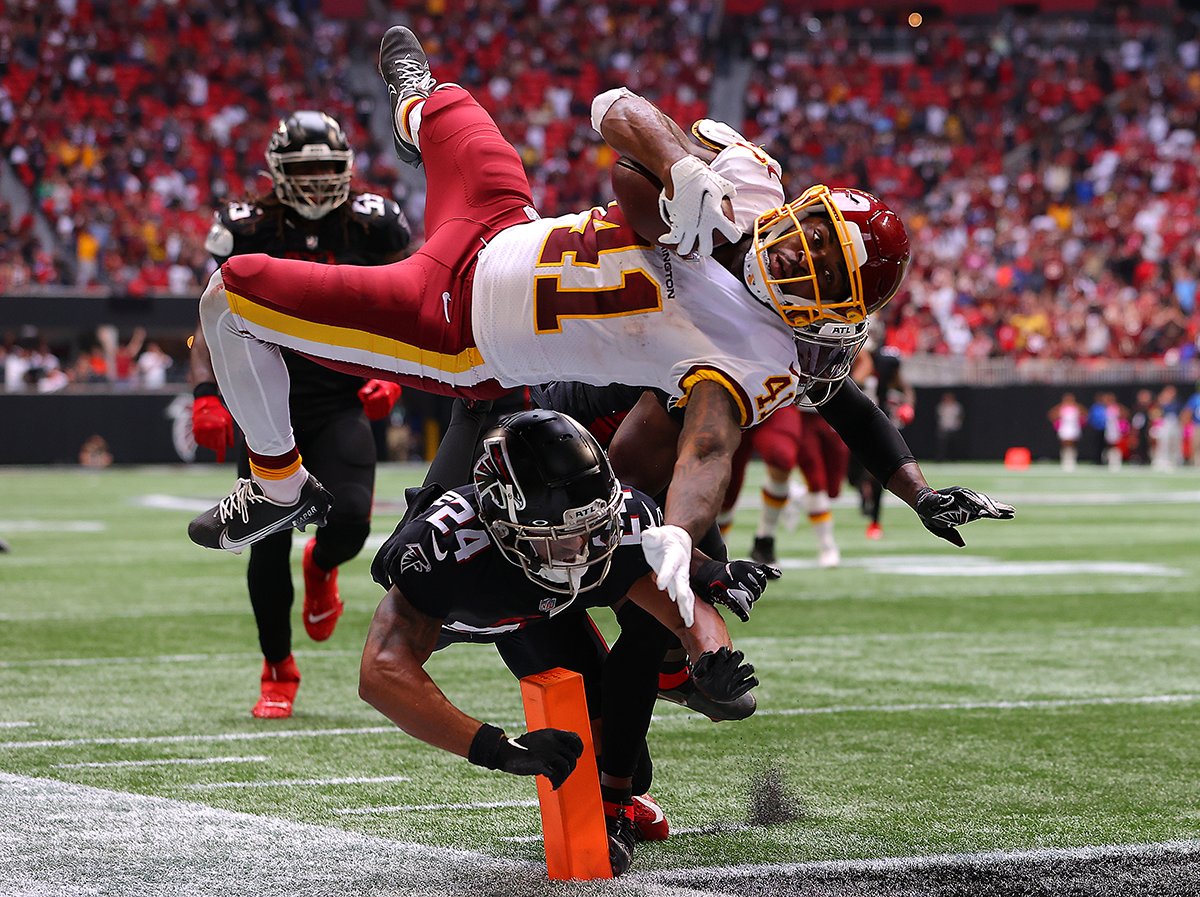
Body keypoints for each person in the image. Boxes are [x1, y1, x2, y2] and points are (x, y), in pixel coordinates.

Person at [188, 26, 1013, 614]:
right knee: (448, 104)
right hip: (501, 224)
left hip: (454, 323)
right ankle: (413, 112)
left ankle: (276, 483)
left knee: (230, 296)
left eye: (824, 270)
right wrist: (681, 164)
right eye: (816, 236)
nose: (801, 254)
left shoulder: (757, 354)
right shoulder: (751, 187)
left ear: (836, 311)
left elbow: (709, 448)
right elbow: (614, 109)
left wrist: (681, 535)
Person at [361, 410, 768, 876]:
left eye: (593, 528)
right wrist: (497, 748)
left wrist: (710, 657)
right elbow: (381, 673)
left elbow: (684, 611)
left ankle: (670, 687)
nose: (584, 549)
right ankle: (467, 411)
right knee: (472, 414)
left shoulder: (617, 521)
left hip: (540, 615)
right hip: (489, 605)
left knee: (630, 770)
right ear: (504, 524)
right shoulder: (446, 549)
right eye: (562, 537)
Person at [189, 110, 411, 718]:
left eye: (326, 169)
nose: (315, 183)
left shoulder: (376, 224)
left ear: (347, 169)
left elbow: (410, 303)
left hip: (339, 397)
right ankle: (278, 669)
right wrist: (206, 392)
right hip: (265, 405)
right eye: (303, 170)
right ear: (276, 172)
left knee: (353, 524)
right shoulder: (246, 225)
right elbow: (209, 315)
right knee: (266, 543)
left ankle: (322, 567)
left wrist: (394, 373)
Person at [1048, 392, 1083, 472]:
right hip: (1064, 428)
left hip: (1074, 428)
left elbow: (1085, 413)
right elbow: (1051, 415)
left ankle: (1072, 461)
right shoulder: (1061, 407)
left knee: (1072, 445)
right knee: (1065, 445)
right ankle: (1065, 461)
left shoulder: (1076, 407)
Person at [934, 391, 964, 462]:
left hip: (954, 428)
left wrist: (958, 425)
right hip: (943, 428)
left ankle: (954, 459)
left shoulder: (956, 406)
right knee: (941, 445)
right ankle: (940, 459)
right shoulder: (941, 406)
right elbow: (938, 416)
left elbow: (960, 416)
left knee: (954, 445)